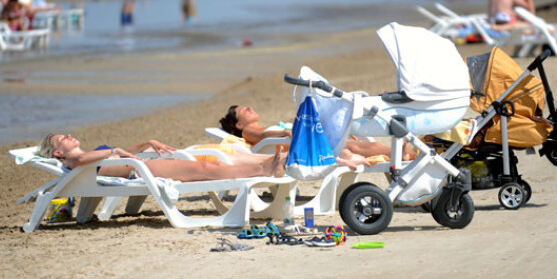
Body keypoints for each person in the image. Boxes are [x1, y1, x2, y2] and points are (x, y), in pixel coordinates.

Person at [37, 134, 285, 182]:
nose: (69, 135)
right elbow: (114, 154)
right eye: (62, 139)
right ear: (58, 153)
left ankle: (265, 165)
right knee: (207, 169)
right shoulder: (73, 161)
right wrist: (113, 152)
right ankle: (263, 170)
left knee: (207, 167)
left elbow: (122, 151)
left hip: (141, 165)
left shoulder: (93, 153)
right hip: (141, 171)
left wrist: (146, 142)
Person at [219, 105, 401, 168]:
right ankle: (400, 152)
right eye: (244, 110)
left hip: (302, 141)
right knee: (350, 147)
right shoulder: (248, 132)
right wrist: (284, 132)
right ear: (239, 124)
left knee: (349, 145)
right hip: (298, 147)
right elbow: (264, 136)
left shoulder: (262, 128)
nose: (250, 108)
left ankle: (399, 153)